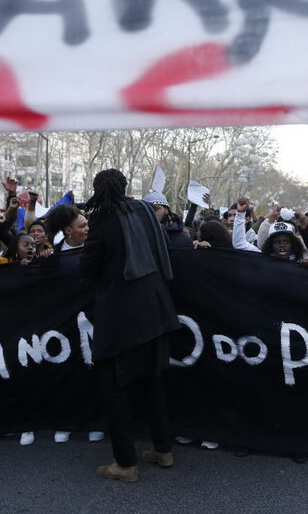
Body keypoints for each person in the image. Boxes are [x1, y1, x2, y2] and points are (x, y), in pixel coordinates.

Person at [81, 169, 180, 483]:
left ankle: (125, 463)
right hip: (157, 309)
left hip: (121, 316)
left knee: (115, 389)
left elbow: (89, 267)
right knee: (153, 381)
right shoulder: (144, 211)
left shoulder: (102, 218)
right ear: (125, 187)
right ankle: (163, 449)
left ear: (97, 191)